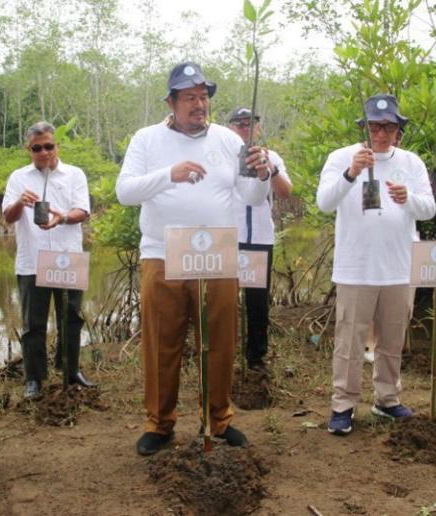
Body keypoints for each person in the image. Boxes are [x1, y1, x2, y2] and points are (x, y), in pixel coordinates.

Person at [116, 62, 272, 455]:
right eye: (189, 97)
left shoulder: (227, 140)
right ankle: (160, 423)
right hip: (162, 253)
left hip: (216, 254)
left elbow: (250, 198)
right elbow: (125, 191)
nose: (198, 105)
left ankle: (218, 419)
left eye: (203, 97)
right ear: (171, 102)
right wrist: (170, 174)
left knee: (218, 340)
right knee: (161, 342)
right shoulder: (147, 139)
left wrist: (262, 175)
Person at [316, 94, 436, 435]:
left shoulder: (411, 163)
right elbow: (324, 202)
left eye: (388, 127)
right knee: (349, 339)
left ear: (399, 131)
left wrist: (407, 200)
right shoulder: (341, 157)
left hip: (399, 267)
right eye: (374, 127)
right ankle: (343, 405)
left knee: (392, 338)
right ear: (364, 127)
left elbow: (429, 208)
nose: (381, 135)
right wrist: (351, 172)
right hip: (356, 267)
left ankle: (386, 399)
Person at [2, 121, 93, 399]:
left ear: (56, 146)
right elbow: (7, 216)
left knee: (72, 318)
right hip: (33, 258)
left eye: (49, 146)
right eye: (37, 148)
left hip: (68, 257)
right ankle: (34, 378)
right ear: (28, 149)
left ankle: (70, 370)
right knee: (33, 323)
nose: (44, 152)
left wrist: (61, 217)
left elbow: (83, 211)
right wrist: (20, 202)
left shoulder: (74, 174)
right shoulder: (18, 177)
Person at [228, 107, 292, 371]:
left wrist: (270, 168)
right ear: (230, 128)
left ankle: (256, 357)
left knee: (257, 302)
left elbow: (286, 192)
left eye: (250, 123)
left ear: (258, 127)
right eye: (239, 124)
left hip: (260, 238)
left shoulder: (271, 155)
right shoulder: (223, 155)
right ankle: (225, 354)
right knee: (224, 300)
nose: (245, 128)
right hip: (227, 238)